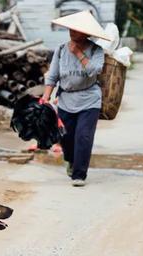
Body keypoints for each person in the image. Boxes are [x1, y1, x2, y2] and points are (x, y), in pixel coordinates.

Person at [42, 11, 111, 187]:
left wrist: (79, 53)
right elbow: (53, 76)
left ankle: (79, 174)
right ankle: (71, 161)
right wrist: (45, 97)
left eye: (77, 29)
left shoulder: (96, 50)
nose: (72, 32)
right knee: (66, 138)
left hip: (89, 99)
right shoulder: (60, 50)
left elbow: (94, 70)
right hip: (66, 100)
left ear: (87, 33)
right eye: (71, 28)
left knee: (84, 137)